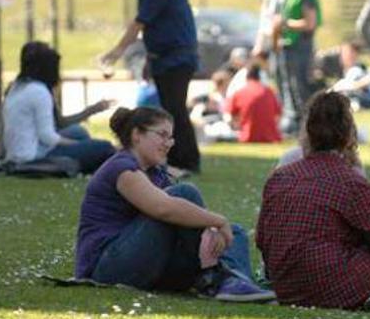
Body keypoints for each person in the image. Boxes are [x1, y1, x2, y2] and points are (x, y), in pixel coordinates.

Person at [257, 91, 370, 312]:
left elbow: (262, 239)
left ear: (308, 133)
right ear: (349, 135)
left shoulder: (280, 176)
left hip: (286, 287)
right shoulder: (350, 181)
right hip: (331, 288)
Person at [74, 106, 273, 302]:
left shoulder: (154, 173)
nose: (168, 143)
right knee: (185, 194)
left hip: (149, 263)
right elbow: (164, 209)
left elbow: (183, 219)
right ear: (137, 135)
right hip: (108, 268)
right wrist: (218, 221)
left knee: (234, 232)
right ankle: (216, 276)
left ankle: (233, 282)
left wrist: (214, 229)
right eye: (162, 135)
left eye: (170, 137)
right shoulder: (122, 169)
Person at [101, 0, 201, 175]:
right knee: (172, 107)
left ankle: (185, 160)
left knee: (174, 109)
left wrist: (116, 52)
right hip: (166, 55)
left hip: (176, 56)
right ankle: (181, 159)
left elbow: (140, 22)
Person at [2, 41, 115, 174]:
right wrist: (77, 145)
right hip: (34, 156)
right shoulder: (39, 91)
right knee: (104, 147)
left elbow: (57, 124)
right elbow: (48, 137)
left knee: (78, 132)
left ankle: (90, 165)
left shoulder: (16, 87)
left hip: (19, 152)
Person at [272, 0, 322, 136]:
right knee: (293, 88)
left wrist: (284, 23)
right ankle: (298, 128)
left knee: (301, 89)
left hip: (301, 46)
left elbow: (310, 22)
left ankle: (308, 129)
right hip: (291, 46)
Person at [225, 64, 282, 143]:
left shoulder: (239, 93)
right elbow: (278, 115)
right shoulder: (270, 92)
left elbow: (229, 116)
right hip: (271, 137)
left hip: (247, 136)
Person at [189, 70, 236, 143]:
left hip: (225, 126)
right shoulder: (206, 99)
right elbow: (194, 117)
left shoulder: (229, 98)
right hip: (211, 126)